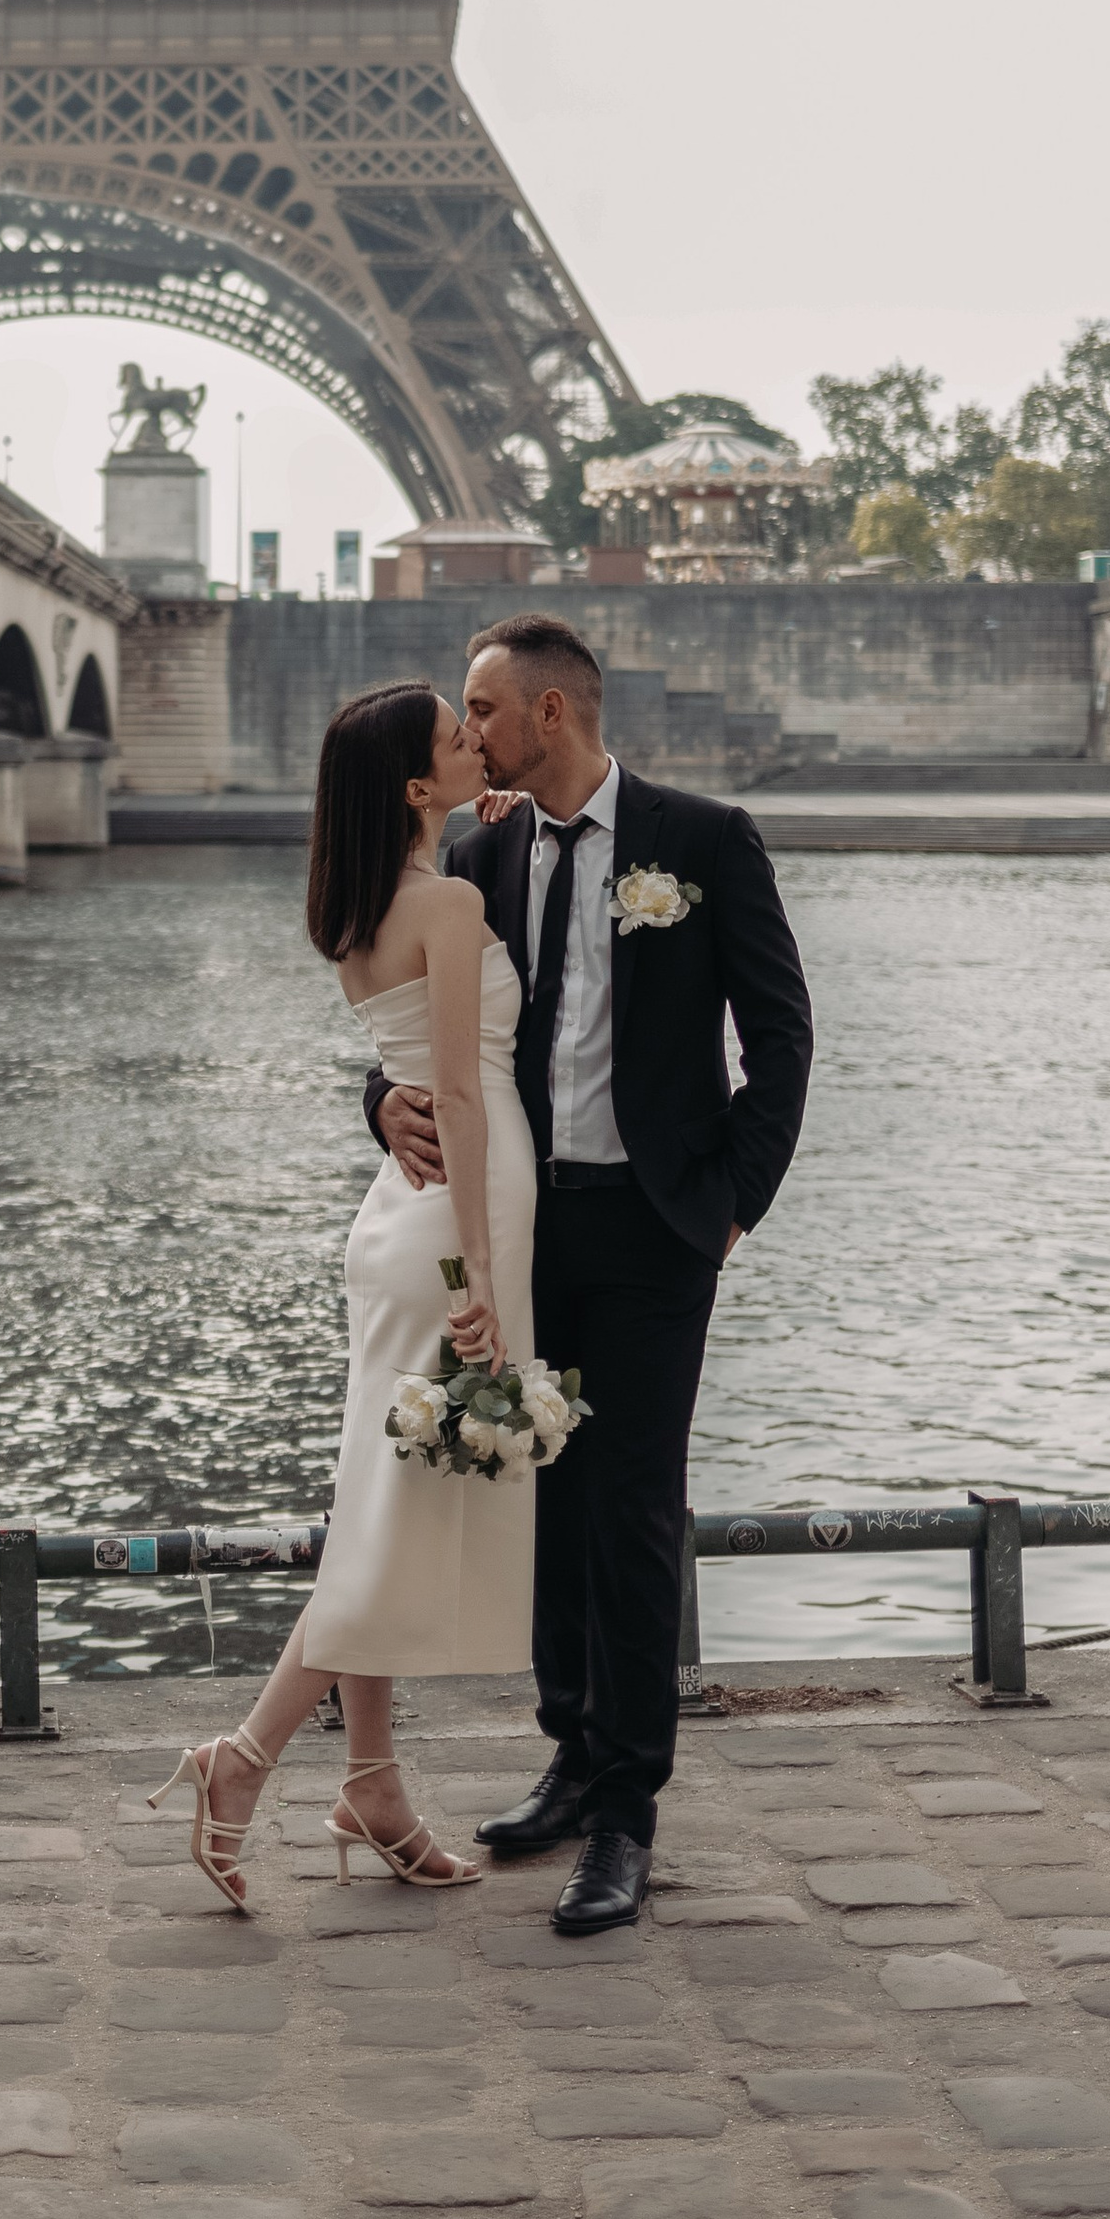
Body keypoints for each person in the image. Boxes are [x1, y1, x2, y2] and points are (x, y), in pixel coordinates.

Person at [363, 613, 813, 1936]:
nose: (471, 734)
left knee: (630, 1509)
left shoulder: (705, 840)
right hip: (522, 1227)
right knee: (537, 1498)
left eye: (484, 711)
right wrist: (376, 1107)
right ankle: (570, 1748)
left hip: (656, 1228)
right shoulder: (480, 851)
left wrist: (729, 1208)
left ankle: (628, 1812)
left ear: (549, 716)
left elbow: (781, 1042)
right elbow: (428, 1028)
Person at [151, 681, 535, 1912]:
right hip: (451, 1221)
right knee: (387, 1523)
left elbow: (412, 1072)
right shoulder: (451, 900)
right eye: (452, 737)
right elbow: (464, 1100)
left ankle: (371, 1781)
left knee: (381, 1501)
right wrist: (478, 1278)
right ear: (419, 787)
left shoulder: (362, 906)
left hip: (397, 1214)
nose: (477, 737)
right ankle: (243, 1760)